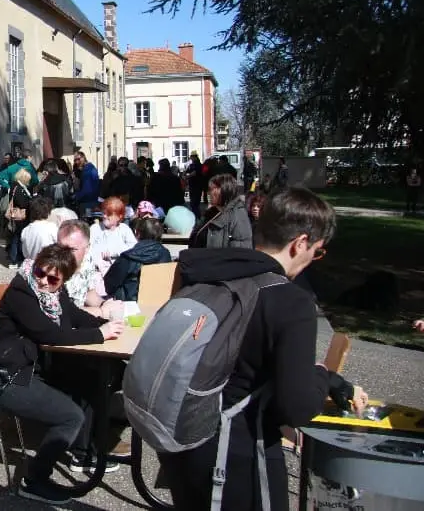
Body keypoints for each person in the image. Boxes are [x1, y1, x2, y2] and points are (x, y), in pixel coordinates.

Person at [158, 187, 368, 510]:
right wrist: (323, 377)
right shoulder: (291, 302)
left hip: (181, 439)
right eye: (317, 252)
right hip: (236, 456)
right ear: (300, 243)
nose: (312, 261)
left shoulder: (203, 273)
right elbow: (295, 407)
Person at [0, 244, 124, 506]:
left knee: (93, 381)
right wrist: (99, 334)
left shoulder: (55, 295)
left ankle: (84, 452)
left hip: (27, 366)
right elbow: (50, 334)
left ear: (63, 280)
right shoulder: (21, 291)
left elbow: (73, 315)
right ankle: (33, 481)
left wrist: (106, 325)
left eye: (53, 279)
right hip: (1, 374)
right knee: (70, 416)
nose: (44, 281)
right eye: (40, 273)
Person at [103, 216, 171, 302]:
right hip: (161, 301)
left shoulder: (128, 257)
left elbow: (109, 285)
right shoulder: (166, 254)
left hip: (131, 304)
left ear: (137, 233)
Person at [190, 174, 253, 249]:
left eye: (211, 189)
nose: (208, 193)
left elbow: (240, 249)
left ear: (224, 190)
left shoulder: (238, 215)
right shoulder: (210, 213)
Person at [5, 170, 33, 269]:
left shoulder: (16, 186)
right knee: (17, 238)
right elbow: (21, 203)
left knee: (17, 238)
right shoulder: (18, 188)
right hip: (19, 216)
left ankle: (16, 258)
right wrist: (30, 201)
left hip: (18, 216)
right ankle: (14, 260)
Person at [21, 196, 58, 261]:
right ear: (47, 212)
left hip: (33, 263)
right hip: (48, 263)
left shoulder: (25, 230)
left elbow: (25, 253)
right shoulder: (52, 227)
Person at [186, 152, 206, 216]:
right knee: (194, 203)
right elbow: (186, 171)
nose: (191, 158)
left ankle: (197, 216)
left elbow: (194, 173)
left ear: (195, 157)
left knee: (194, 203)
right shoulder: (192, 165)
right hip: (194, 185)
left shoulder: (198, 165)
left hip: (196, 186)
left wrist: (187, 177)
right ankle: (196, 216)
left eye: (191, 157)